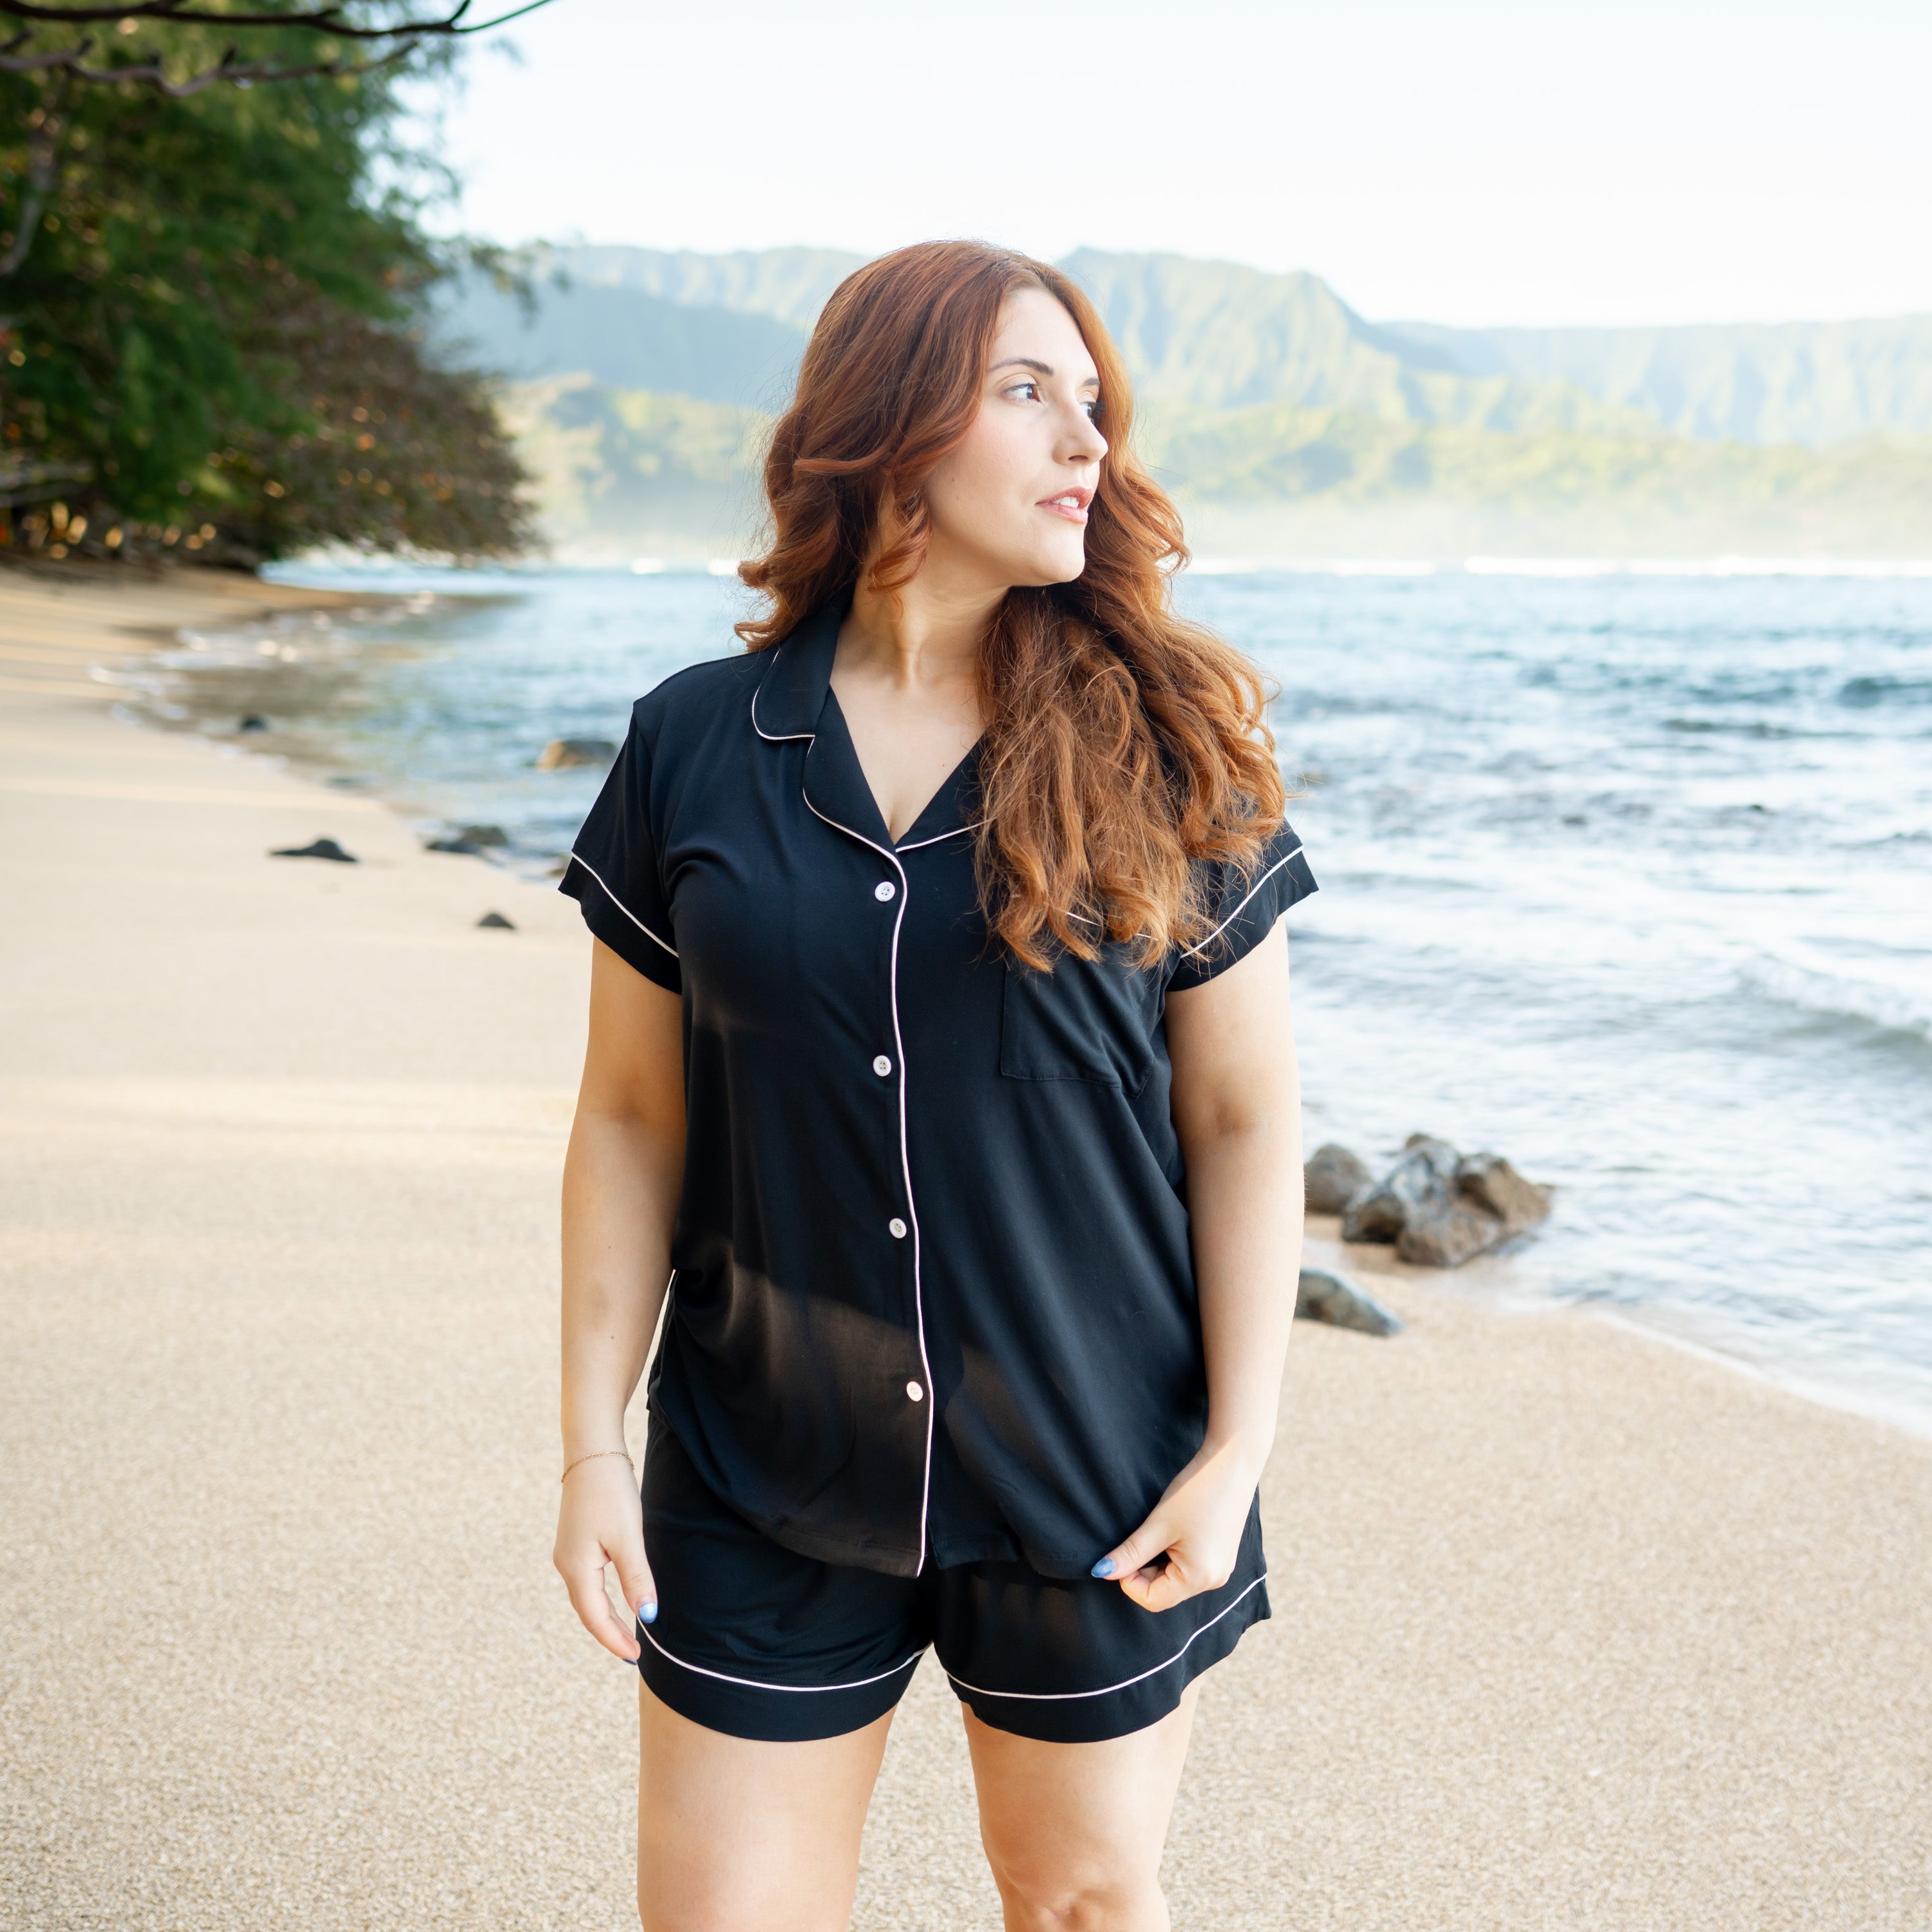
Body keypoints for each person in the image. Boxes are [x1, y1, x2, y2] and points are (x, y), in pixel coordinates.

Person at [553, 239, 1315, 1932]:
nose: (1086, 444)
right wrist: (587, 1450)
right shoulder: (694, 739)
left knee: (1080, 1905)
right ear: (889, 422)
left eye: (1096, 404)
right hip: (760, 1467)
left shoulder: (1166, 741)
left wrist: (1241, 1444)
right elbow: (626, 1121)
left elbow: (1246, 1119)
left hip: (1095, 1473)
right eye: (1029, 392)